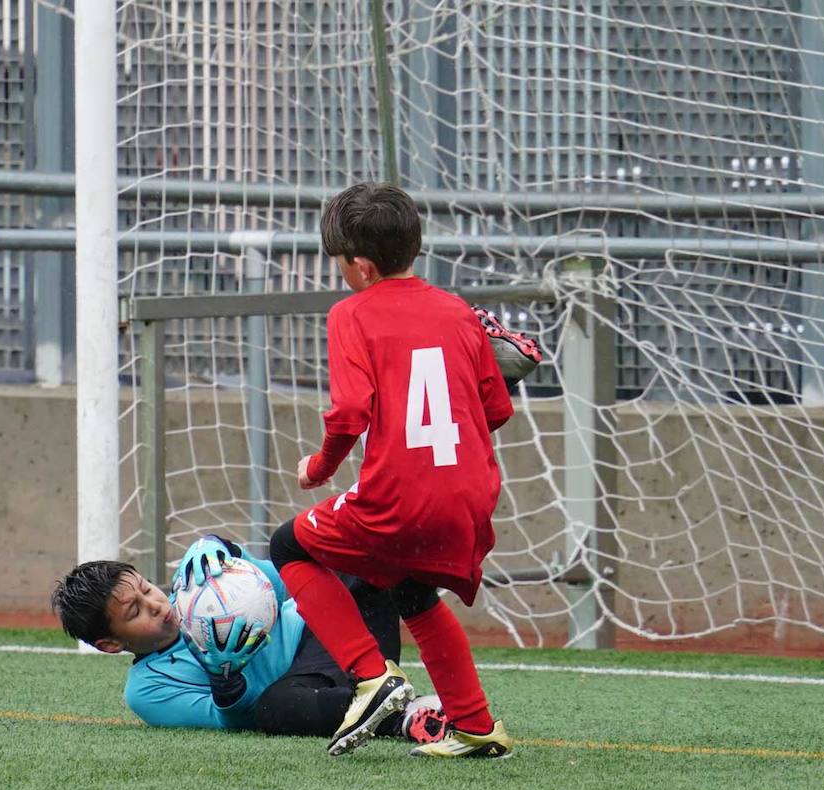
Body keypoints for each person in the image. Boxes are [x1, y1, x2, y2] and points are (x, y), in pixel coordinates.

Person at [268, 181, 524, 759]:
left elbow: (351, 411)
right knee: (412, 591)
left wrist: (319, 465)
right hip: (469, 496)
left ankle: (370, 675)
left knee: (290, 546)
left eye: (339, 263)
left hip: (398, 495)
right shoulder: (458, 312)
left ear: (359, 266)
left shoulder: (351, 313)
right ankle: (476, 726)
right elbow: (496, 412)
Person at [50, 535, 449, 744]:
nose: (154, 603)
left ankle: (430, 555)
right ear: (110, 644)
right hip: (309, 686)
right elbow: (233, 722)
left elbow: (287, 577)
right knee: (273, 711)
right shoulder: (147, 690)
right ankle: (404, 714)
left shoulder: (196, 588)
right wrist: (226, 680)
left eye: (146, 589)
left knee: (353, 561)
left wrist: (224, 548)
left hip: (339, 632)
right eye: (134, 611)